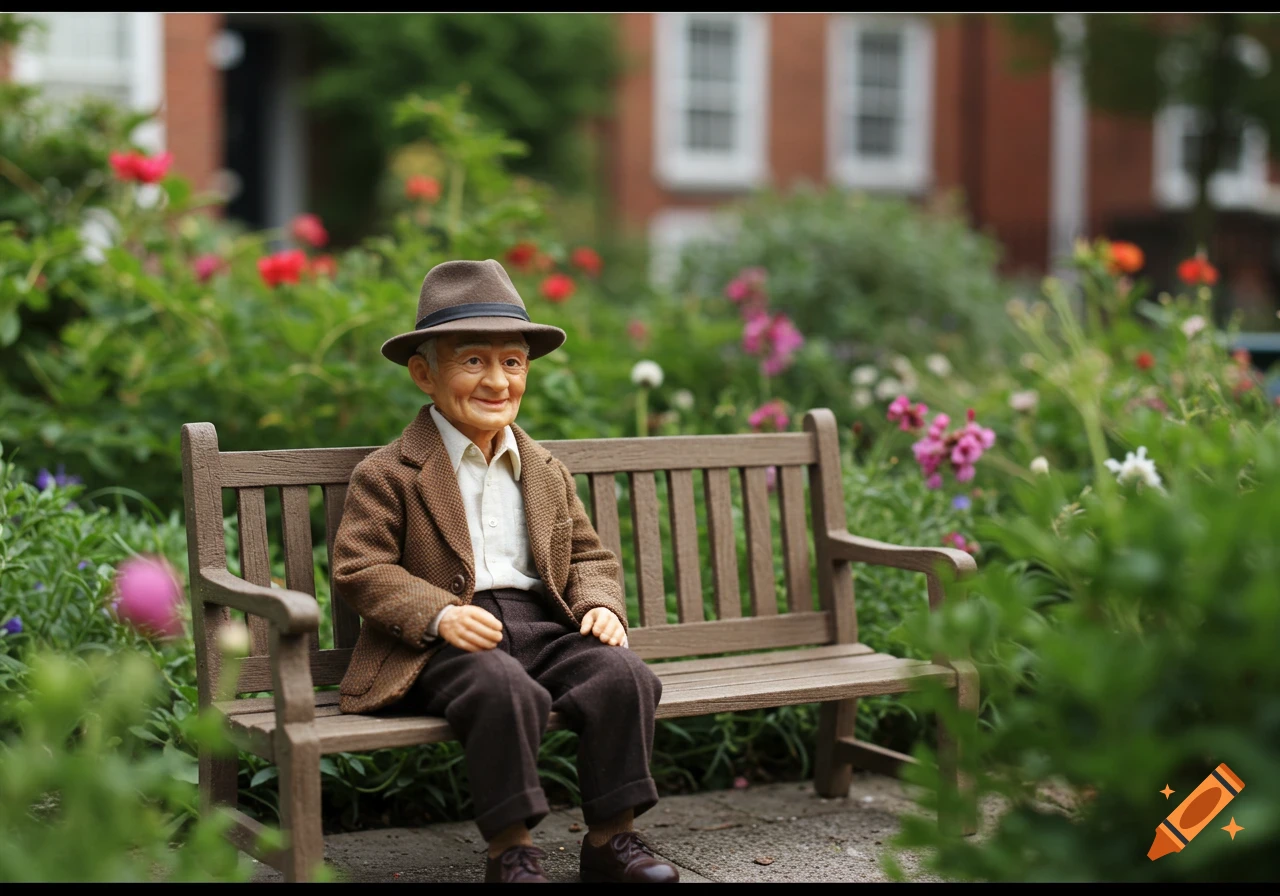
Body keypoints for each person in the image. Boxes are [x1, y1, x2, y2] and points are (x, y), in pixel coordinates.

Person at [331, 259, 679, 883]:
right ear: (423, 374)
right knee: (502, 690)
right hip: (444, 641)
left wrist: (601, 604)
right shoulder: (390, 473)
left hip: (543, 628)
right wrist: (438, 614)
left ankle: (611, 840)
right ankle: (511, 852)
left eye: (512, 362)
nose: (497, 381)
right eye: (472, 362)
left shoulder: (545, 469)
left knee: (624, 676)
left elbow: (590, 556)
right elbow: (361, 566)